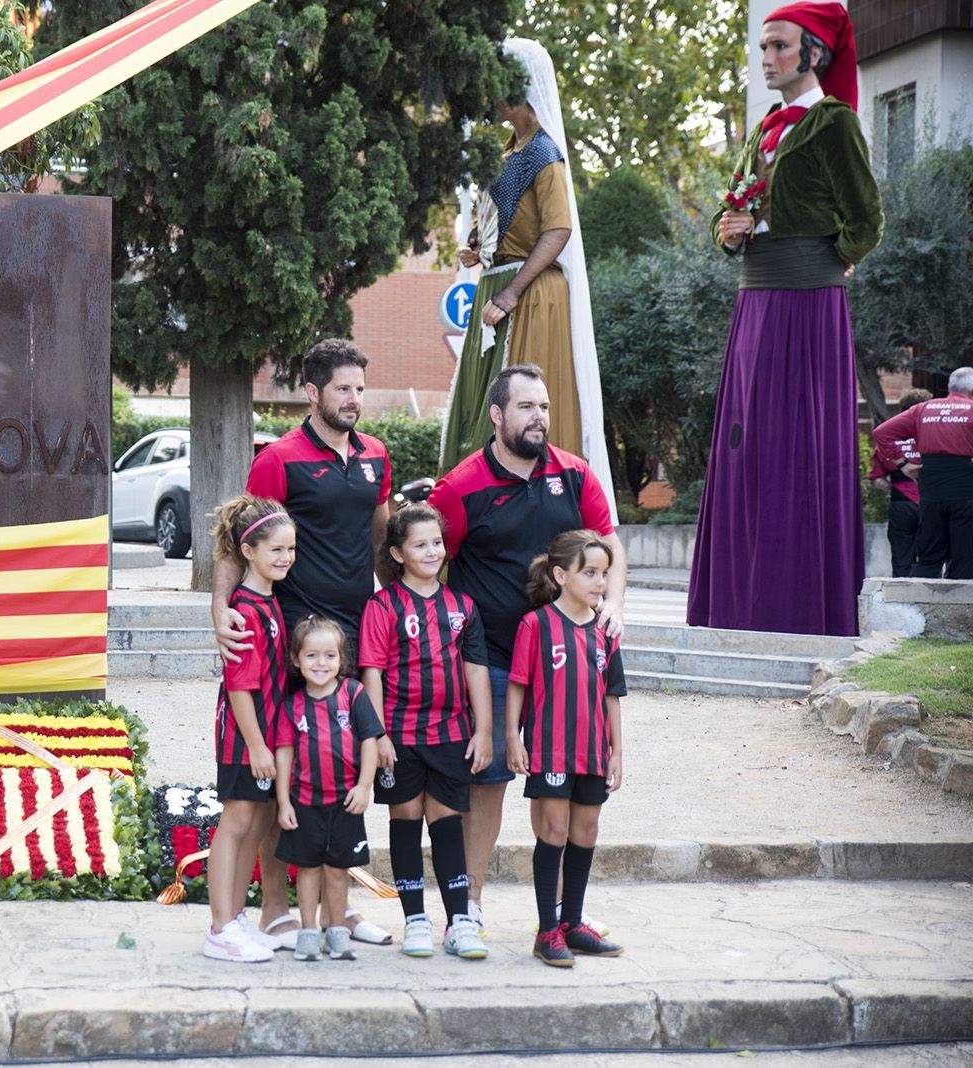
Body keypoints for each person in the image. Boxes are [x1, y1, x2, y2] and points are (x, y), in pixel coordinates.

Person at [689, 2, 883, 636]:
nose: (767, 58)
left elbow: (867, 221)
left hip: (806, 308)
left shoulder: (834, 123)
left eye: (779, 47)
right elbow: (734, 219)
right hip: (755, 304)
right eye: (764, 48)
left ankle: (798, 607)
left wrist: (833, 263)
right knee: (750, 450)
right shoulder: (765, 125)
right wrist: (731, 229)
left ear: (814, 53)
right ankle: (739, 604)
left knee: (798, 448)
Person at [428, 364, 625, 940]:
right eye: (526, 407)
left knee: (572, 785)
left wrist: (612, 604)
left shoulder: (575, 473)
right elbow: (431, 562)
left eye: (543, 406)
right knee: (487, 782)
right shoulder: (461, 487)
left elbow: (609, 544)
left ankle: (567, 913)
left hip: (567, 664)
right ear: (497, 415)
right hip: (491, 656)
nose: (539, 417)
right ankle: (470, 908)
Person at [216, 337, 394, 946]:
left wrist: (395, 608)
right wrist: (220, 611)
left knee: (345, 769)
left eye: (360, 390)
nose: (354, 400)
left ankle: (340, 911)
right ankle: (275, 909)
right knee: (283, 779)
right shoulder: (281, 459)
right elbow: (237, 536)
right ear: (313, 393)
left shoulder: (376, 455)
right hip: (294, 639)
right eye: (343, 389)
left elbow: (380, 538)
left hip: (354, 633)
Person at [440, 37, 618, 522]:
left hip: (530, 296)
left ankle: (532, 519)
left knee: (521, 408)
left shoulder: (545, 153)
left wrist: (513, 291)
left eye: (495, 84)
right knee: (483, 410)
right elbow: (506, 225)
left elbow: (558, 228)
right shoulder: (508, 149)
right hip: (499, 287)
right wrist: (480, 250)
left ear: (517, 88)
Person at [358, 503, 493, 961]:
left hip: (452, 732)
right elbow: (372, 672)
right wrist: (377, 735)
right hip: (399, 733)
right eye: (420, 544)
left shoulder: (463, 607)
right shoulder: (382, 606)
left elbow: (476, 670)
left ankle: (459, 922)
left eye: (437, 542)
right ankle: (415, 919)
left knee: (447, 823)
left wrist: (485, 731)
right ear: (397, 553)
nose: (431, 550)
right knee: (405, 819)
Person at [504, 529, 627, 968]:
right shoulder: (535, 624)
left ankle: (573, 923)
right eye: (589, 572)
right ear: (561, 575)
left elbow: (612, 693)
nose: (599, 582)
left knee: (586, 832)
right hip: (551, 749)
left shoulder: (605, 631)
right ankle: (546, 931)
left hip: (593, 750)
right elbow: (518, 683)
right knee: (553, 831)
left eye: (604, 574)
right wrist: (512, 737)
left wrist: (617, 751)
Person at [202, 495, 296, 963]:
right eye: (276, 550)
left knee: (257, 824)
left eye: (291, 550)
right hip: (245, 737)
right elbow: (240, 688)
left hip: (264, 734)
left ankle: (237, 916)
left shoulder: (269, 601)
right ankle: (219, 926)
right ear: (249, 551)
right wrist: (258, 747)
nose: (285, 558)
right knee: (236, 823)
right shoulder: (242, 610)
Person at [272, 616, 384, 962]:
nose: (321, 664)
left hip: (345, 802)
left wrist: (365, 786)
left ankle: (336, 928)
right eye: (311, 656)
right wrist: (282, 803)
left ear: (341, 659)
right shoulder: (292, 706)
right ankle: (308, 930)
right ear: (296, 659)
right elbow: (285, 754)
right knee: (307, 870)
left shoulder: (354, 695)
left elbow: (369, 742)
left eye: (329, 656)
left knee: (337, 871)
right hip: (305, 802)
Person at [873, 368, 973, 580]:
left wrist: (902, 464)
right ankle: (957, 609)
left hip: (929, 484)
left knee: (930, 553)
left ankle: (914, 608)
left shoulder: (923, 409)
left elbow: (881, 433)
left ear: (948, 388)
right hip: (964, 485)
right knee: (964, 553)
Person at [868, 388, 932, 577]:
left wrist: (892, 486)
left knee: (901, 558)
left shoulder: (888, 442)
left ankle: (902, 602)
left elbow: (877, 479)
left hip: (901, 504)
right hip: (931, 503)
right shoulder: (934, 438)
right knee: (931, 558)